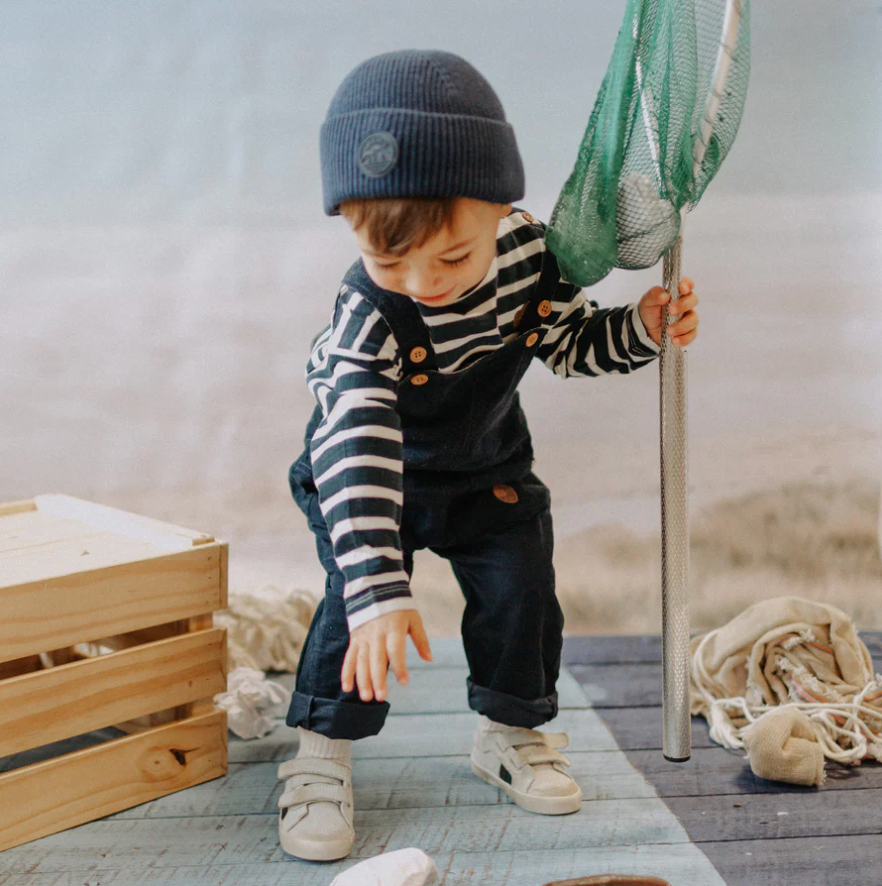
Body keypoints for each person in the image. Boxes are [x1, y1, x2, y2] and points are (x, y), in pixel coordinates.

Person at [279, 49, 700, 862]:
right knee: (351, 614)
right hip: (371, 481)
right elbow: (355, 439)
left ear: (503, 207)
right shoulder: (369, 317)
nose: (421, 281)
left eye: (450, 256)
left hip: (485, 470)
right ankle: (320, 756)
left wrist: (641, 330)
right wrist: (377, 585)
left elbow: (569, 344)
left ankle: (508, 733)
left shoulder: (529, 257)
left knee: (521, 592)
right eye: (388, 260)